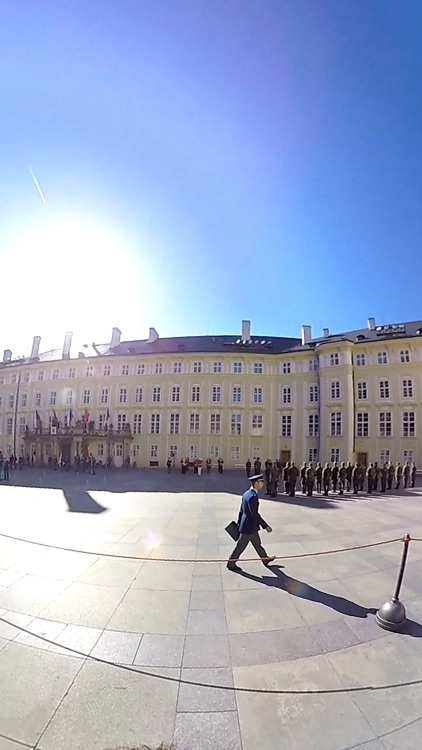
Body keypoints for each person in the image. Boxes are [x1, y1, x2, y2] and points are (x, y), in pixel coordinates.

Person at [227, 474, 275, 571]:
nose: (262, 484)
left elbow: (241, 511)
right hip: (248, 527)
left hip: (249, 525)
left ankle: (265, 559)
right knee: (241, 546)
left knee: (257, 543)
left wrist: (239, 523)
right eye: (261, 482)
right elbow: (255, 514)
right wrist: (265, 526)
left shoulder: (246, 493)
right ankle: (231, 563)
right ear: (256, 483)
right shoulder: (252, 497)